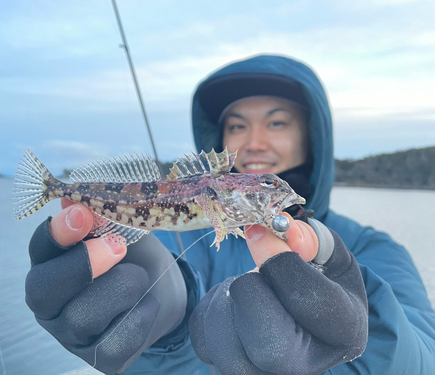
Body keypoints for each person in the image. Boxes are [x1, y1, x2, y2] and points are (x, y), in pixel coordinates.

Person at [24, 55, 435, 374]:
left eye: (276, 122)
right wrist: (165, 329)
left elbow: (425, 353)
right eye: (237, 126)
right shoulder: (171, 243)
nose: (254, 142)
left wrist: (364, 342)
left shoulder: (375, 249)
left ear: (311, 136)